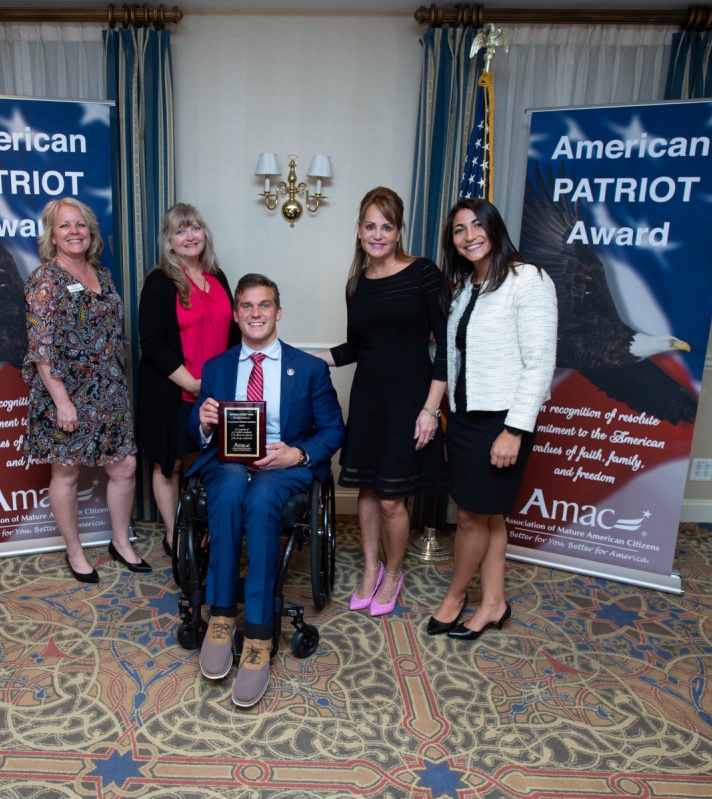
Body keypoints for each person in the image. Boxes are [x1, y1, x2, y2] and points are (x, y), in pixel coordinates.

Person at [189, 274, 345, 707]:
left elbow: (333, 430)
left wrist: (296, 454)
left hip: (283, 464)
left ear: (278, 312)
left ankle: (258, 634)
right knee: (230, 487)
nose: (255, 313)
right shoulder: (217, 368)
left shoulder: (309, 368)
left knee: (261, 500)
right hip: (229, 463)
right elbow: (194, 433)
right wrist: (202, 422)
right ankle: (221, 616)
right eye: (246, 306)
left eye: (264, 305)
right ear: (236, 314)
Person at [427, 198, 557, 640]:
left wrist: (515, 430)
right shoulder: (465, 288)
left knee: (469, 517)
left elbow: (539, 363)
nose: (469, 236)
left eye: (477, 225)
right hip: (464, 418)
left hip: (501, 421)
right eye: (459, 230)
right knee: (490, 517)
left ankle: (456, 596)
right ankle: (494, 603)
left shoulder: (529, 280)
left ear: (495, 228)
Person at [314, 187, 447, 617]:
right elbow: (356, 347)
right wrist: (307, 357)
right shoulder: (355, 285)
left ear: (398, 231)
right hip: (369, 396)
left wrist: (431, 408)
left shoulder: (423, 272)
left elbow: (446, 347)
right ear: (358, 231)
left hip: (410, 399)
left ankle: (393, 571)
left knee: (392, 498)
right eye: (370, 226)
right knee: (369, 490)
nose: (377, 234)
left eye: (386, 227)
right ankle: (370, 569)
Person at [22, 197, 149, 583]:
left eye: (80, 225)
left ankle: (120, 542)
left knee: (125, 465)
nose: (74, 231)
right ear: (53, 235)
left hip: (109, 390)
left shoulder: (102, 274)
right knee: (67, 471)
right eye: (64, 226)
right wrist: (62, 401)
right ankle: (74, 551)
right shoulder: (45, 279)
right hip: (67, 393)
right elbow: (41, 348)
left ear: (90, 231)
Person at [137, 204, 238, 559]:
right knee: (171, 463)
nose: (190, 236)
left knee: (205, 459)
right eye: (180, 231)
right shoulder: (159, 282)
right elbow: (151, 343)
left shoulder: (218, 277)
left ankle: (203, 526)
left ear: (204, 233)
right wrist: (192, 383)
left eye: (195, 227)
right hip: (173, 390)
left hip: (213, 392)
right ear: (169, 240)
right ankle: (174, 534)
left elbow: (234, 333)